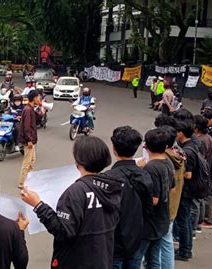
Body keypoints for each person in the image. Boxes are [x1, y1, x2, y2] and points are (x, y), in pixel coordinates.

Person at [21, 136, 124, 269]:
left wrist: (38, 205)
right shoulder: (112, 187)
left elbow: (63, 232)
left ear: (78, 161)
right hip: (103, 259)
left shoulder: (76, 192)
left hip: (76, 260)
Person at [108, 126, 154, 269]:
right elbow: (148, 209)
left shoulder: (109, 178)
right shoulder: (145, 175)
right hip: (136, 239)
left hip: (114, 242)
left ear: (114, 148)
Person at [132, 128, 175, 269]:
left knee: (137, 257)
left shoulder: (151, 167)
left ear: (146, 146)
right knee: (153, 257)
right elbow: (172, 188)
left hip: (149, 222)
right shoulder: (168, 162)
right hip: (162, 218)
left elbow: (153, 199)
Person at [174, 121, 202, 261]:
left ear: (181, 133)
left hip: (186, 190)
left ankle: (185, 250)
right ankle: (186, 247)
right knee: (186, 220)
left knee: (183, 220)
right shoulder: (194, 145)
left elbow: (188, 174)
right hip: (191, 189)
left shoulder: (187, 151)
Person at [160, 125, 185, 269]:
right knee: (166, 240)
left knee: (161, 242)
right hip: (173, 206)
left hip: (165, 207)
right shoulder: (179, 154)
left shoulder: (166, 161)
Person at [17, 90, 40, 189]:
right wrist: (29, 140)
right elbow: (26, 127)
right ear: (34, 98)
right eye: (38, 97)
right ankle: (22, 183)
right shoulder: (27, 110)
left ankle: (29, 180)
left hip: (32, 140)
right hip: (29, 140)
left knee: (32, 161)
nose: (39, 99)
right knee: (27, 162)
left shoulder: (30, 109)